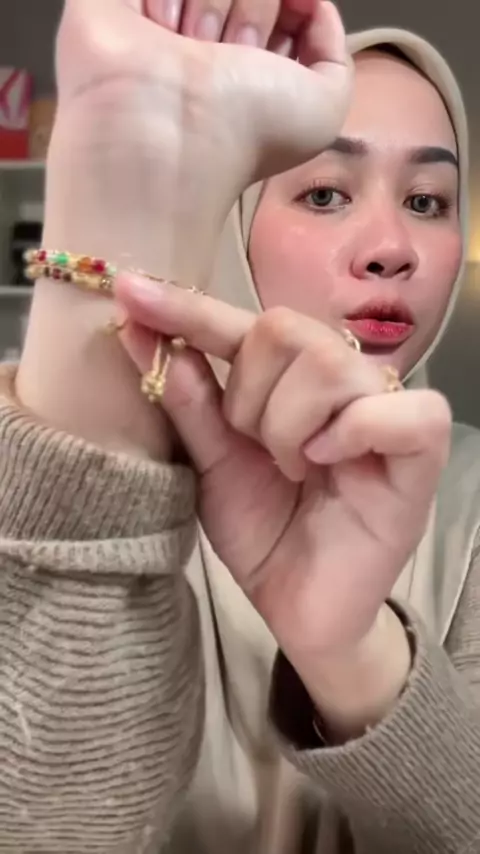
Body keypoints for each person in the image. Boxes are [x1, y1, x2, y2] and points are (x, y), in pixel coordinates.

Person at [1, 3, 479, 854]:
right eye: (325, 193)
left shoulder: (473, 501)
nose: (392, 247)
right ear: (231, 220)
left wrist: (351, 653)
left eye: (426, 200)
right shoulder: (36, 480)